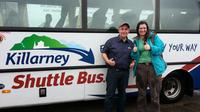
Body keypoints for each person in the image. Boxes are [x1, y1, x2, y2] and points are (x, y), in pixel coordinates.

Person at [131, 21, 166, 112]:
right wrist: (134, 52)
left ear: (147, 29)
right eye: (140, 28)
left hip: (153, 68)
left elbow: (161, 48)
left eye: (144, 28)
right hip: (140, 67)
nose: (142, 30)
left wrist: (151, 48)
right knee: (141, 93)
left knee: (154, 93)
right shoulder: (136, 40)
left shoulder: (154, 37)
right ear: (137, 30)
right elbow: (134, 56)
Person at [101, 22, 134, 112]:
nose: (124, 31)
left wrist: (133, 62)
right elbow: (103, 53)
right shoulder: (111, 41)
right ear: (119, 30)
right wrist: (107, 61)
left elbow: (133, 56)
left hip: (125, 73)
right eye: (122, 29)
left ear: (128, 31)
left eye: (126, 29)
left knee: (122, 95)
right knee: (110, 95)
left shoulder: (131, 44)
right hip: (113, 72)